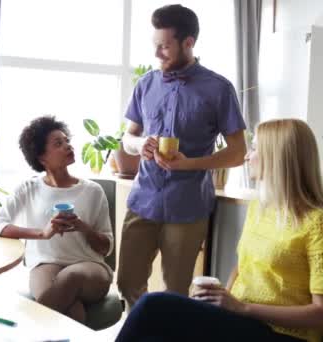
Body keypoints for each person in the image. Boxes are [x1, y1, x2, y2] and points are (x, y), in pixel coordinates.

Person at [116, 119, 323, 342]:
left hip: (283, 334)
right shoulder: (260, 207)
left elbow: (320, 314)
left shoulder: (316, 223)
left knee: (152, 306)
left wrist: (242, 308)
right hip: (243, 321)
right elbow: (242, 267)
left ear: (276, 158)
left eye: (254, 149)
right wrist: (220, 298)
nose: (247, 156)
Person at [118, 4, 247, 308]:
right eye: (154, 45)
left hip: (187, 206)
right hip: (143, 201)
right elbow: (128, 137)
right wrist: (141, 145)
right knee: (126, 282)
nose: (157, 54)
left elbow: (238, 153)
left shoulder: (219, 89)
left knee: (175, 293)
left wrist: (191, 163)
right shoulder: (145, 84)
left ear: (188, 43)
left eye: (164, 46)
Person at [0, 116, 113, 323]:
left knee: (71, 277)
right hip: (45, 266)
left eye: (66, 141)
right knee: (73, 309)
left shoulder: (92, 191)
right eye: (58, 143)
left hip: (90, 268)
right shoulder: (28, 188)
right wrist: (43, 233)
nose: (67, 146)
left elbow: (106, 247)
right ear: (41, 157)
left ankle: (23, 330)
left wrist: (83, 227)